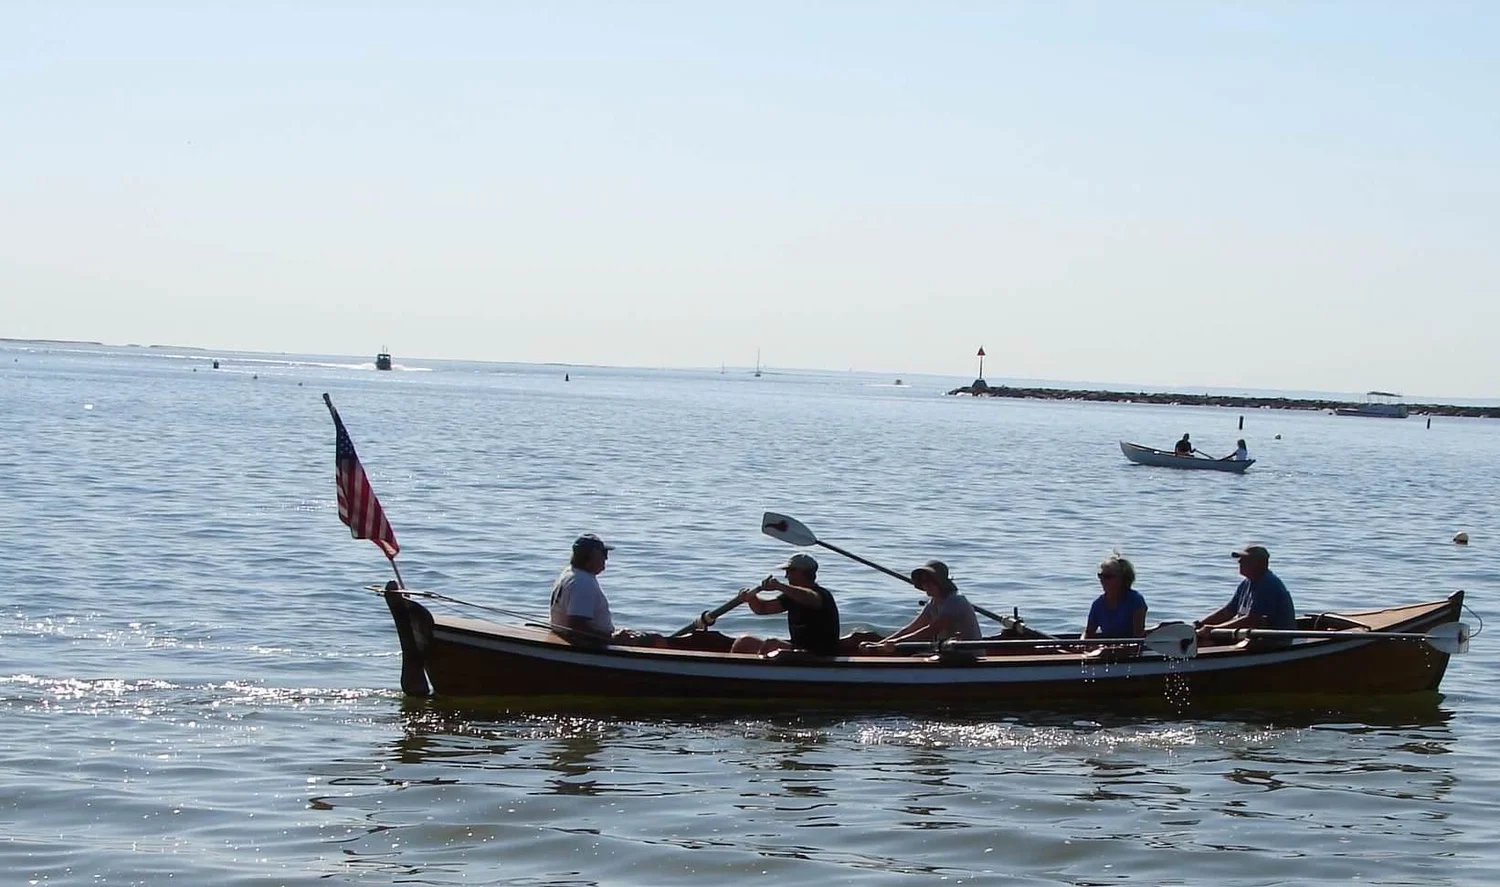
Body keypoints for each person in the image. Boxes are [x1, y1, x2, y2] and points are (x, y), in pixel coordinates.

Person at [548, 533, 660, 646]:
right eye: (604, 553)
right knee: (656, 640)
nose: (606, 558)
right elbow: (577, 627)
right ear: (593, 555)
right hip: (591, 643)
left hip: (572, 635)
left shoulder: (569, 573)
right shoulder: (583, 583)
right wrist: (612, 638)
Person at [729, 552, 840, 656]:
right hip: (798, 649)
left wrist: (779, 586)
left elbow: (810, 597)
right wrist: (752, 598)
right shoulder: (791, 596)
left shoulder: (821, 595)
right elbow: (762, 608)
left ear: (802, 573)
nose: (786, 576)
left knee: (772, 643)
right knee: (744, 641)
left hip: (819, 654)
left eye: (789, 571)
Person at [860, 560, 982, 654]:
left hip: (968, 654)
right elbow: (910, 628)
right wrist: (879, 644)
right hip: (948, 652)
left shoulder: (955, 601)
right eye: (923, 582)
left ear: (940, 583)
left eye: (929, 582)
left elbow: (932, 630)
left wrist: (897, 642)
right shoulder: (933, 603)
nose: (925, 585)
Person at [1195, 545, 1296, 645]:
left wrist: (1214, 629)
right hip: (1249, 635)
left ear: (1259, 563)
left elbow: (1252, 620)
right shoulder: (1247, 583)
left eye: (1245, 559)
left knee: (1205, 643)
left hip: (1273, 641)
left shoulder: (1269, 584)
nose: (1239, 562)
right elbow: (1227, 612)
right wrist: (1199, 625)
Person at [1083, 554, 1148, 639]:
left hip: (1129, 647)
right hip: (1108, 646)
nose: (1102, 580)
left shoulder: (1135, 601)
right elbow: (1088, 633)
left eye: (1108, 576)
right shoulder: (1098, 604)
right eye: (1100, 575)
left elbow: (1138, 635)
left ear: (1123, 579)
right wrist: (1080, 645)